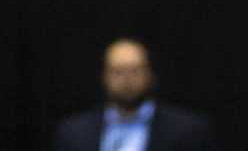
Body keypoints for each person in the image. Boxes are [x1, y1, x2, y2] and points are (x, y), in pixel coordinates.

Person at [52, 40, 219, 151]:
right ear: (104, 77)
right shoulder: (73, 134)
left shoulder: (189, 132)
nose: (127, 79)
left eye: (135, 70)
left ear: (151, 75)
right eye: (118, 72)